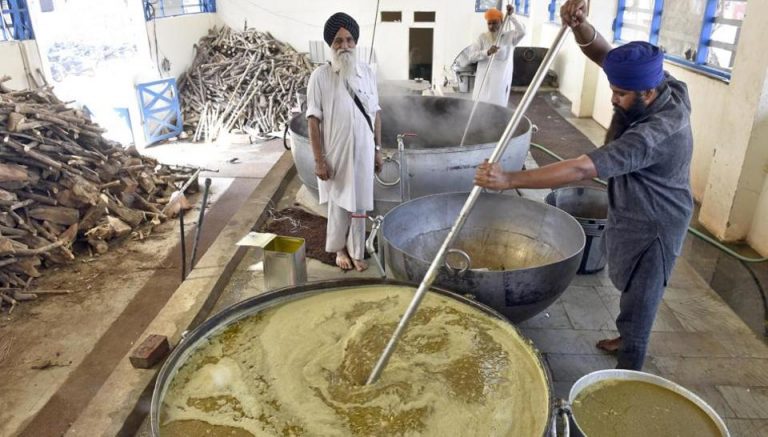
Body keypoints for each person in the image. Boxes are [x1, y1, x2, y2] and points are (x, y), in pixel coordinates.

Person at [474, 0, 693, 371]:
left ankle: (628, 372)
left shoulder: (655, 134)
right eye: (613, 89)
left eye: (621, 95)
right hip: (631, 205)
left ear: (649, 94)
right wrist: (580, 26)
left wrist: (509, 179)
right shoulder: (660, 81)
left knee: (642, 299)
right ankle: (626, 336)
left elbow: (581, 169)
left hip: (657, 221)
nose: (613, 98)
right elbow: (606, 55)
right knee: (630, 290)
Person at [306, 12, 383, 272]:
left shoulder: (367, 73)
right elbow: (313, 121)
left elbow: (376, 114)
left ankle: (357, 249)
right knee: (339, 203)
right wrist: (319, 160)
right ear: (330, 45)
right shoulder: (320, 76)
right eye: (338, 41)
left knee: (360, 202)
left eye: (349, 40)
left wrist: (377, 150)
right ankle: (339, 248)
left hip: (363, 150)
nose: (344, 46)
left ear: (356, 42)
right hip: (335, 153)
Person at [468, 4, 526, 106]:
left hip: (500, 83)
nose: (491, 26)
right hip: (483, 82)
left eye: (494, 23)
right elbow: (471, 57)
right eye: (489, 23)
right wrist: (487, 52)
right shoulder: (482, 37)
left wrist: (511, 16)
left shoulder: (509, 37)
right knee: (480, 108)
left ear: (501, 22)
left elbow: (522, 32)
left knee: (497, 108)